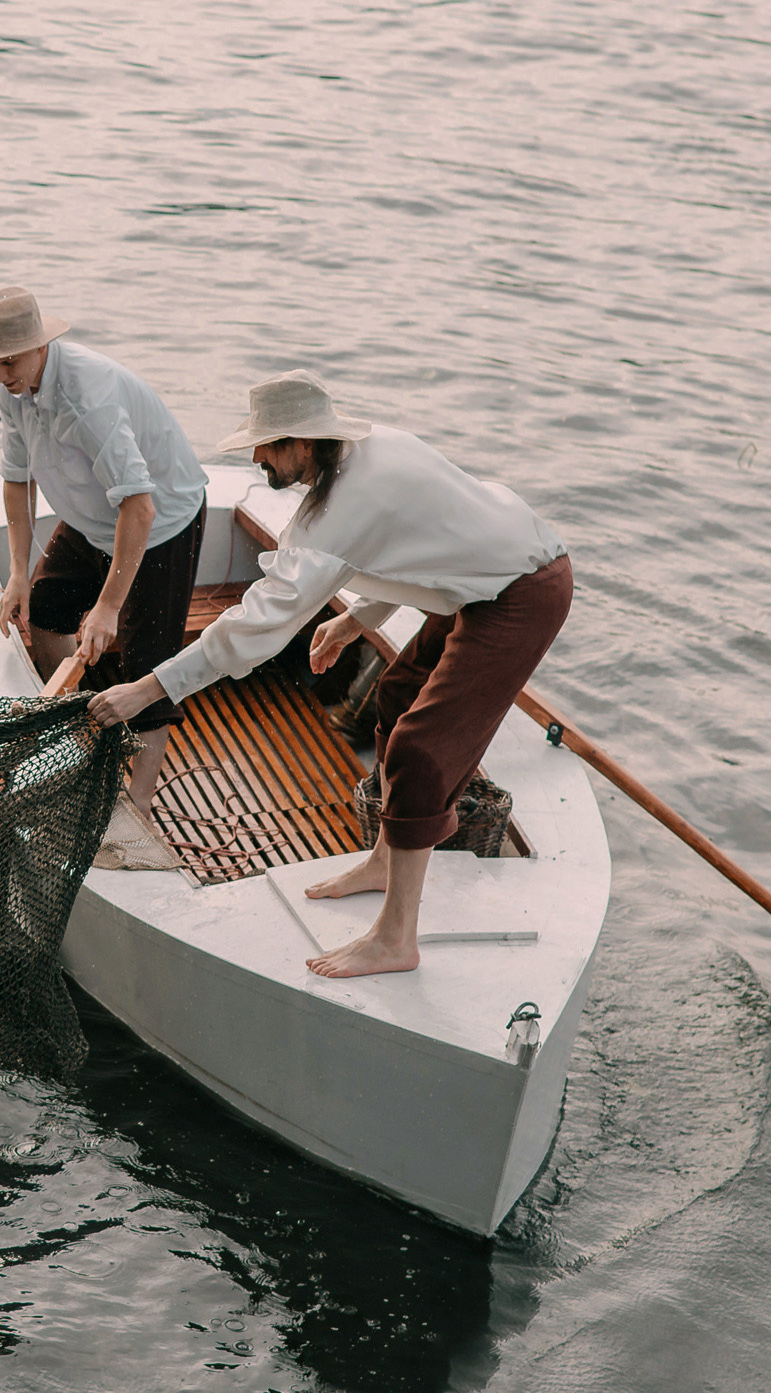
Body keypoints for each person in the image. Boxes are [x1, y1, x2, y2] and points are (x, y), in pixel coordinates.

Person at [88, 370, 572, 978]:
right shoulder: (370, 452)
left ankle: (395, 939)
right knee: (396, 694)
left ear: (305, 442)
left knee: (421, 749)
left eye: (267, 447)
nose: (258, 459)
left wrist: (148, 688)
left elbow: (256, 626)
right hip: (486, 578)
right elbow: (422, 544)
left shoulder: (344, 504)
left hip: (522, 593)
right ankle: (383, 862)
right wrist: (352, 621)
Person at [0, 284, 208, 815]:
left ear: (40, 345)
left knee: (145, 665)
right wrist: (17, 573)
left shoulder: (88, 397)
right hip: (92, 518)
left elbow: (140, 507)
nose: (0, 375)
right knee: (44, 608)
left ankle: (138, 801)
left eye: (9, 361)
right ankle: (78, 729)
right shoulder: (13, 389)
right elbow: (16, 479)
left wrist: (108, 607)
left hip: (161, 523)